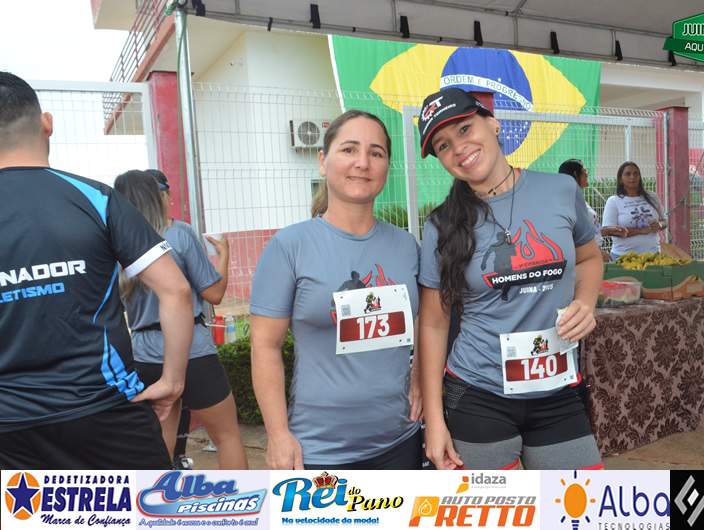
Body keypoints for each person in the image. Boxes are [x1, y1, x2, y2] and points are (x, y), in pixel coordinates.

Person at [0, 71, 194, 469]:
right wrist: (173, 380)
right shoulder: (96, 198)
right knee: (148, 504)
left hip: (10, 426)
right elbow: (175, 290)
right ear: (47, 123)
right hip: (106, 410)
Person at [416, 87, 604, 471]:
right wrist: (434, 420)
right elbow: (434, 323)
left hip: (557, 387)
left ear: (493, 123)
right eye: (443, 145)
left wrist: (585, 302)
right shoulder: (442, 225)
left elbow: (588, 257)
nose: (459, 149)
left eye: (465, 129)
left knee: (579, 503)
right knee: (498, 506)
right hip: (478, 392)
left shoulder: (561, 190)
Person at [250, 110, 423, 470]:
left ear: (386, 166)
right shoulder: (289, 246)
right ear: (322, 161)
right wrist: (277, 434)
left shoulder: (407, 246)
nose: (363, 163)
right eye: (349, 149)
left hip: (400, 440)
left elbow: (426, 323)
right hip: (317, 452)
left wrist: (420, 376)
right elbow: (265, 346)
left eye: (376, 153)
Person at [114, 170, 248, 469]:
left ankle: (157, 499)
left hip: (146, 352)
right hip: (192, 351)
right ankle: (243, 499)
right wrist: (224, 255)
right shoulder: (178, 233)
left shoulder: (116, 243)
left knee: (160, 444)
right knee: (227, 436)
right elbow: (214, 293)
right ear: (156, 196)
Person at [601, 161, 666, 260]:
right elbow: (607, 230)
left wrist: (659, 225)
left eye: (636, 174)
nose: (632, 177)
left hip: (653, 256)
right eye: (628, 174)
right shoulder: (614, 201)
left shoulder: (652, 197)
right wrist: (641, 231)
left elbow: (664, 221)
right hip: (623, 257)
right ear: (620, 179)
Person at [558, 159, 610, 261]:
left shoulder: (576, 198)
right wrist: (595, 252)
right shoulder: (568, 201)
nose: (587, 174)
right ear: (575, 174)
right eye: (584, 171)